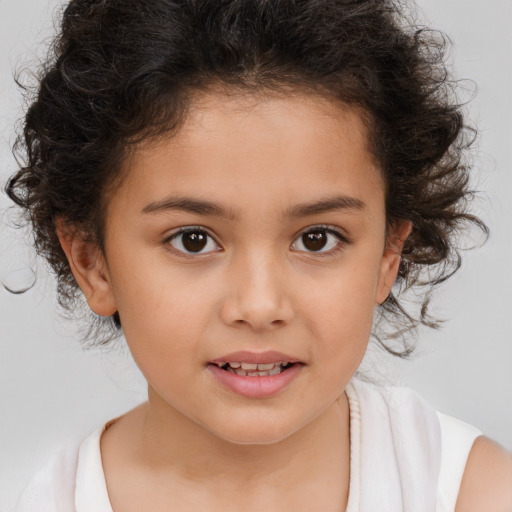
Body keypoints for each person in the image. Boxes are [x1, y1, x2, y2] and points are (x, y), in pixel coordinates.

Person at [5, 0, 512, 510]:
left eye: (317, 238)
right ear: (93, 262)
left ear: (387, 255)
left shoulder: (472, 493)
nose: (260, 304)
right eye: (193, 240)